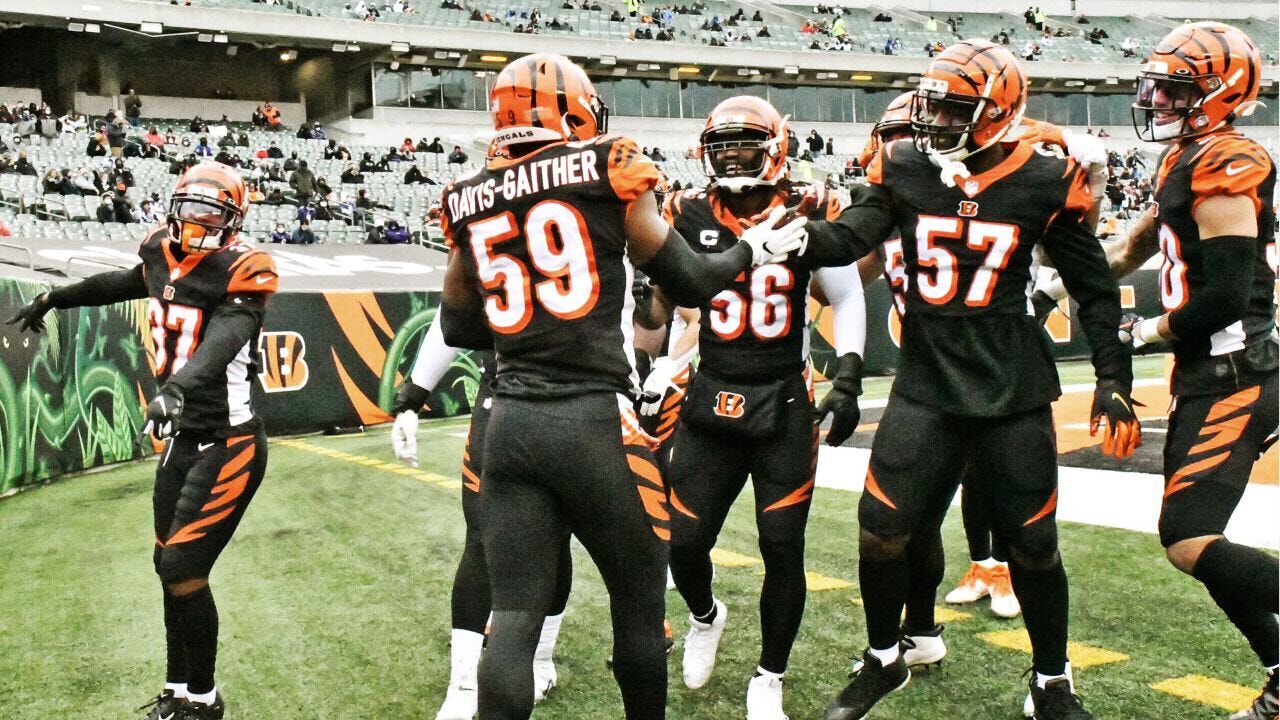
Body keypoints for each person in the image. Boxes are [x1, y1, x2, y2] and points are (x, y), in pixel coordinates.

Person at [437, 52, 805, 720]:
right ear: (574, 109)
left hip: (511, 423)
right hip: (591, 420)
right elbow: (692, 280)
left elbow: (460, 325)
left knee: (514, 617)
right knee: (638, 609)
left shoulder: (468, 196)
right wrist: (754, 249)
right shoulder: (604, 164)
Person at [798, 41, 1138, 720]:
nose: (934, 119)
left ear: (999, 114)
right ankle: (885, 658)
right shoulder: (901, 163)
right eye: (931, 104)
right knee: (880, 529)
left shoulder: (1046, 175)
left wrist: (1113, 374)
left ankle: (1051, 683)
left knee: (1035, 544)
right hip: (926, 383)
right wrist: (800, 233)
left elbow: (1094, 287)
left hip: (1012, 388)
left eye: (954, 107)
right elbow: (854, 234)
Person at [8, 162, 277, 720]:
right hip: (184, 438)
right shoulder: (160, 250)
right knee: (165, 566)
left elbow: (224, 340)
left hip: (231, 441)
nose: (199, 221)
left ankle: (205, 700)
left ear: (233, 220)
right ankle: (178, 690)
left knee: (183, 567)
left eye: (212, 212)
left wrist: (176, 388)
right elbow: (128, 281)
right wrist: (56, 298)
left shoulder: (245, 267)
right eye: (192, 208)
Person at [641, 96, 866, 720]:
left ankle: (770, 676)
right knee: (683, 542)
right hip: (711, 390)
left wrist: (846, 375)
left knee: (781, 543)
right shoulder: (685, 210)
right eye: (724, 145)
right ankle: (705, 617)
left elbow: (845, 296)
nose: (734, 156)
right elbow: (663, 304)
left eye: (746, 144)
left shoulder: (808, 206)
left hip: (784, 399)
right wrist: (649, 344)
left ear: (775, 148)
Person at [1109, 22, 1278, 720]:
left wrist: (1142, 331)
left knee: (1188, 537)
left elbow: (1224, 295)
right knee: (1189, 537)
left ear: (1220, 93)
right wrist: (1063, 286)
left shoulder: (1228, 161)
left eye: (1176, 90)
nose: (1161, 102)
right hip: (1210, 373)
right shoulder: (1190, 155)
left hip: (1236, 371)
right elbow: (1150, 235)